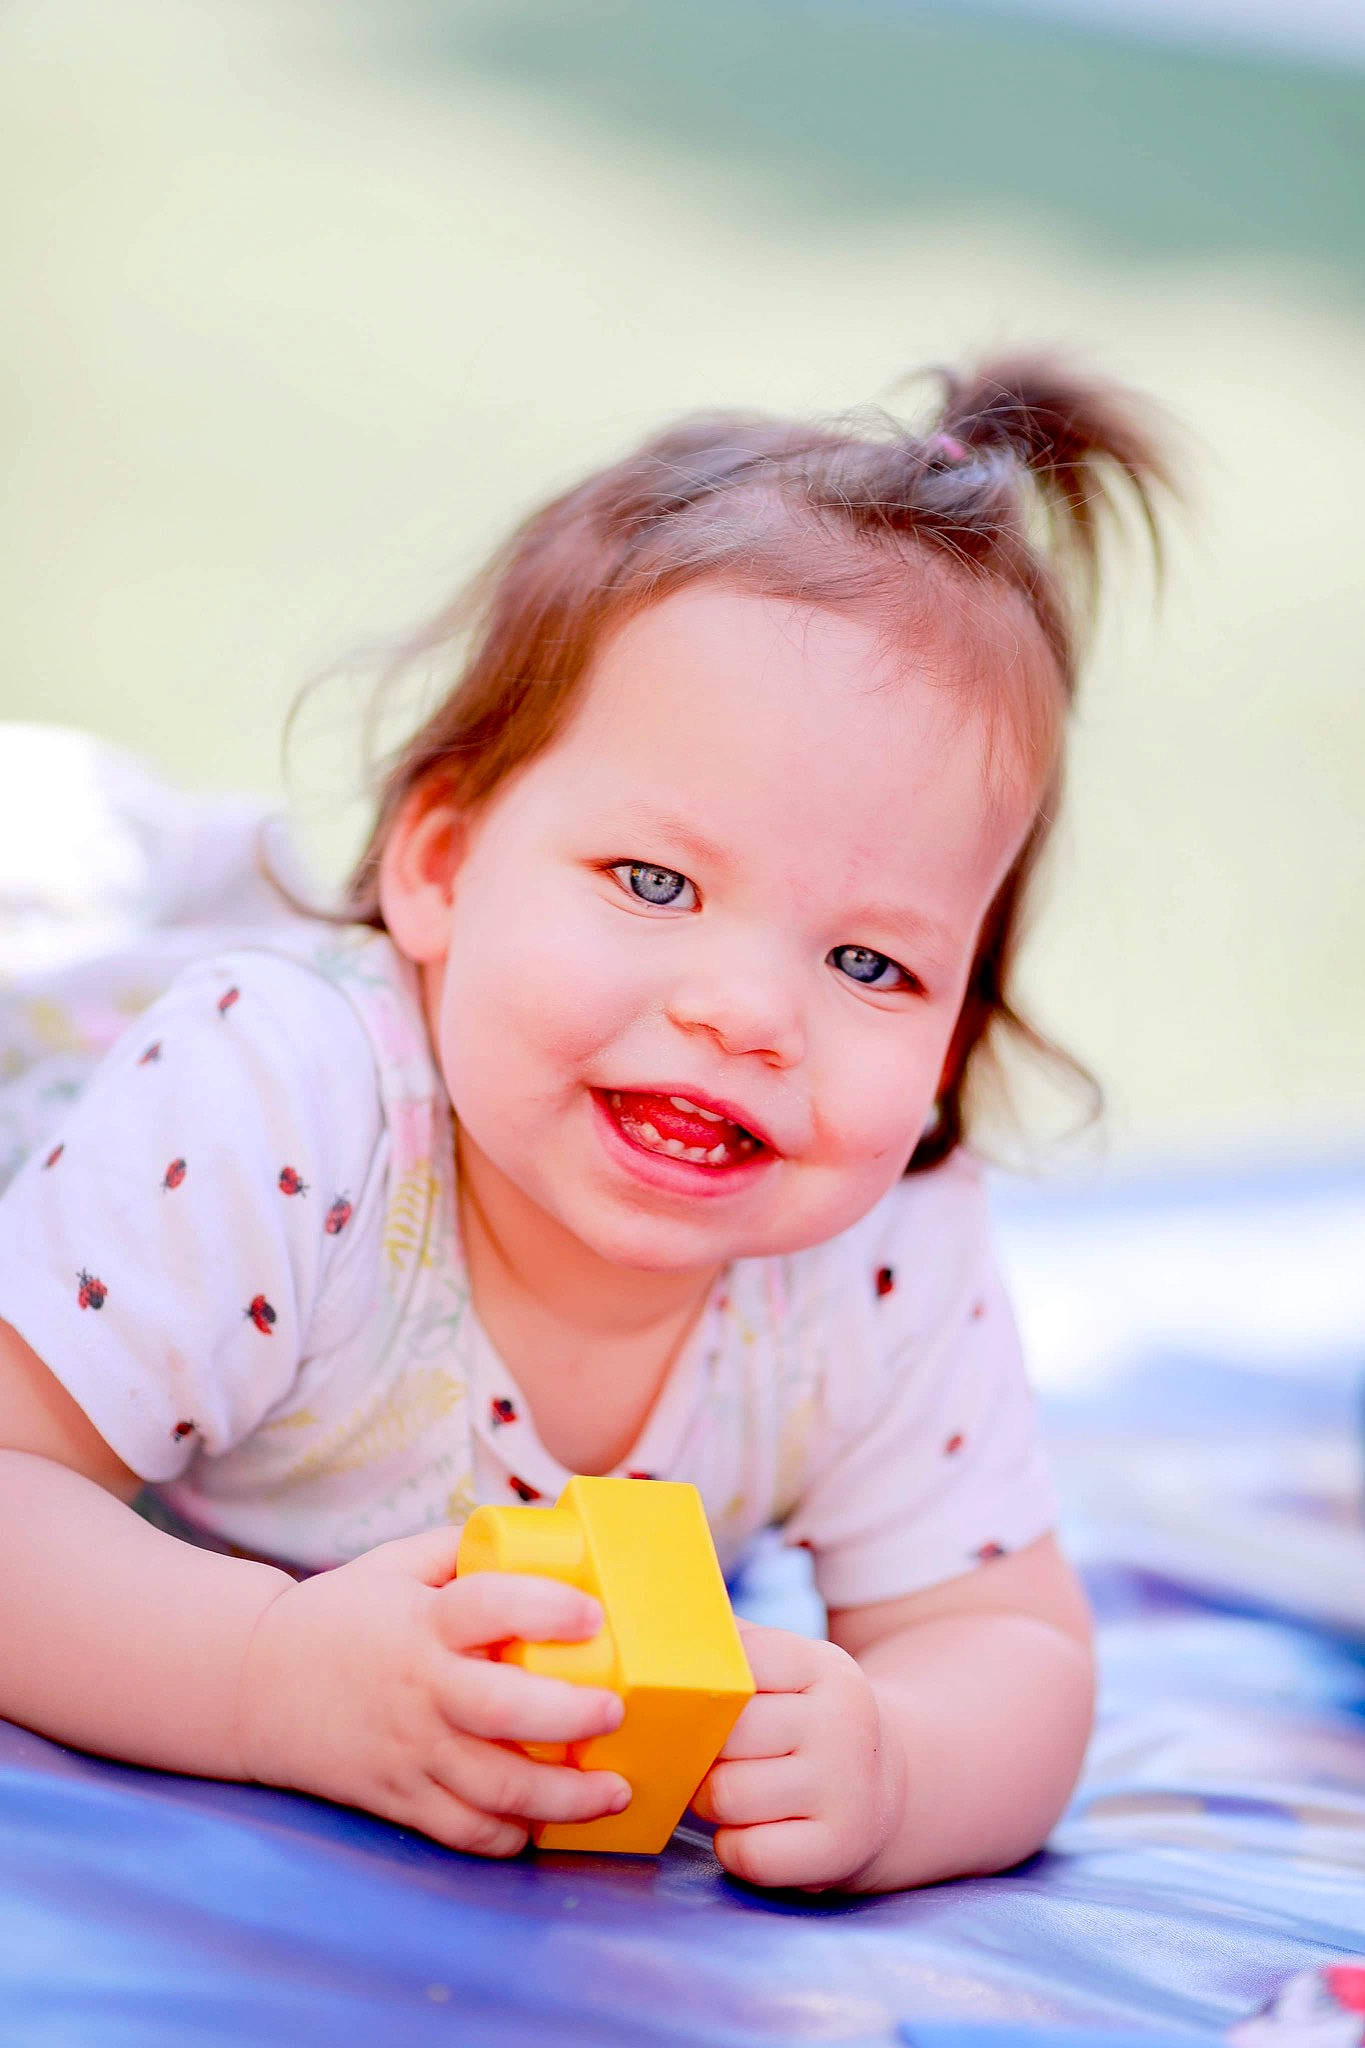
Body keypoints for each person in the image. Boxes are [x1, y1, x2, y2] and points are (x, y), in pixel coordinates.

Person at [0, 355, 1176, 1894]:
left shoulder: (878, 1242)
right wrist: (267, 1676)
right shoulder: (279, 1101)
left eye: (869, 964)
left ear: (951, 1040)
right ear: (439, 862)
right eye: (656, 883)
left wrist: (906, 1768)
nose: (749, 1015)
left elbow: (999, 1635)